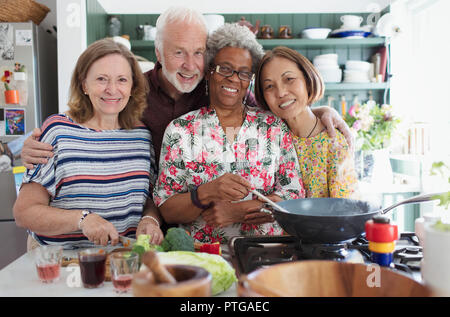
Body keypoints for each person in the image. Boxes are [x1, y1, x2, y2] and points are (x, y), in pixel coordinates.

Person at [20, 6, 352, 170]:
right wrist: (38, 142)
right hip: (141, 216)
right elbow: (90, 116)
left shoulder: (220, 88)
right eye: (179, 53)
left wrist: (320, 109)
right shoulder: (132, 89)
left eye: (198, 53)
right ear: (159, 53)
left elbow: (275, 108)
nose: (190, 65)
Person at [153, 23, 305, 244]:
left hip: (266, 253)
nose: (234, 78)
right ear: (208, 73)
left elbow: (294, 198)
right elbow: (167, 209)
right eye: (225, 68)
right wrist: (206, 192)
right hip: (203, 257)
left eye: (244, 73)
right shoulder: (181, 130)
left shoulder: (272, 126)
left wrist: (240, 212)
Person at [13, 38, 163, 249]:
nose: (112, 89)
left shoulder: (141, 136)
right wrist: (82, 219)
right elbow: (24, 212)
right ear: (84, 84)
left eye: (122, 80)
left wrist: (150, 219)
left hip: (122, 260)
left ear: (132, 86)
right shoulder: (58, 132)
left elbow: (147, 198)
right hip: (61, 263)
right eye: (101, 79)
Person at [255, 46, 358, 198]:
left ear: (308, 80)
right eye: (269, 86)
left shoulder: (334, 143)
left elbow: (346, 210)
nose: (281, 92)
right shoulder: (267, 136)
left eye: (289, 79)